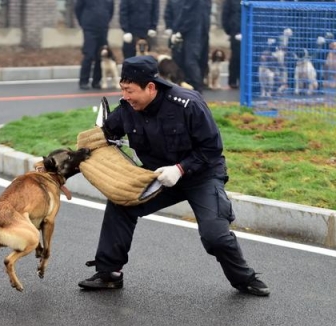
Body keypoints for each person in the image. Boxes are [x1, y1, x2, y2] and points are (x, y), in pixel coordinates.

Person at [78, 55, 270, 297]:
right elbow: (99, 139)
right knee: (121, 203)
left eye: (130, 90)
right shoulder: (128, 108)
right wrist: (58, 168)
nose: (125, 96)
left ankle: (245, 279)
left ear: (150, 87)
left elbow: (211, 150)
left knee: (215, 236)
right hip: (160, 177)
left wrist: (180, 169)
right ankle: (109, 273)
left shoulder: (188, 104)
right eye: (122, 90)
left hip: (201, 175)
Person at [169, 0, 211, 93]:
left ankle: (196, 88)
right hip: (202, 29)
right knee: (197, 60)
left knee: (190, 61)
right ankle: (195, 86)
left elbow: (186, 12)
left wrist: (178, 30)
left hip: (192, 30)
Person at [74, 0, 114, 90]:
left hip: (103, 28)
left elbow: (111, 11)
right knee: (89, 54)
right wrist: (83, 22)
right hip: (89, 28)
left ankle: (96, 81)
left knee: (101, 55)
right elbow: (77, 9)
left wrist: (106, 21)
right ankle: (84, 81)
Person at [221, 0, 241, 89]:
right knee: (236, 56)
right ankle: (233, 80)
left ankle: (244, 80)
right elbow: (225, 14)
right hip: (236, 30)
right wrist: (230, 30)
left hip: (250, 29)